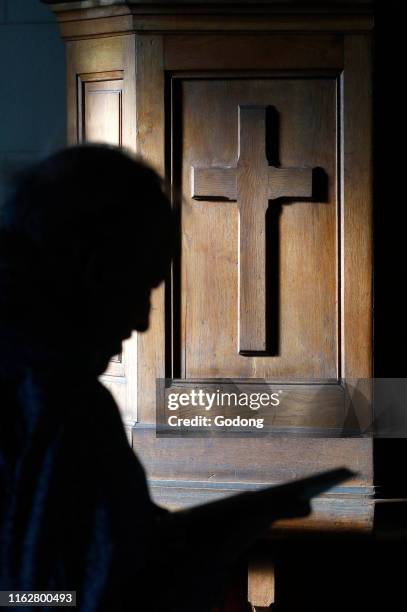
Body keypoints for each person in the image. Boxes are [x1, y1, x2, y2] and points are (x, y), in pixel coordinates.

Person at [0, 143, 348, 611]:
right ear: (95, 272)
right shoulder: (61, 406)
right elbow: (68, 598)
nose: (142, 320)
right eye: (141, 284)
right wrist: (208, 548)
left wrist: (209, 528)